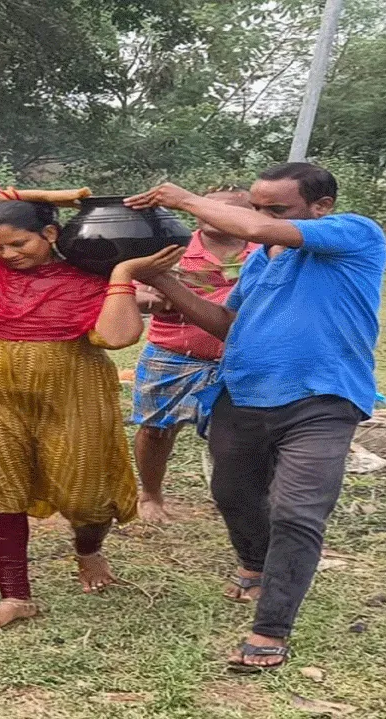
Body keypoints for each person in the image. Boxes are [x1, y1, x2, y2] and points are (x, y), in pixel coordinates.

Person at [125, 163, 386, 671]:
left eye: (276, 209)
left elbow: (252, 228)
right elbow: (229, 324)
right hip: (243, 393)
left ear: (321, 207)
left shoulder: (354, 234)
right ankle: (254, 564)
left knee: (297, 511)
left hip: (323, 398)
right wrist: (162, 281)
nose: (261, 217)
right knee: (233, 493)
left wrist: (181, 197)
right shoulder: (262, 262)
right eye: (257, 205)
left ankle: (270, 630)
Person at [0, 187, 183, 634]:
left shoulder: (89, 278)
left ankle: (87, 549)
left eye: (18, 243)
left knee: (87, 496)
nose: (6, 254)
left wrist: (122, 271)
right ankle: (14, 597)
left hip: (74, 399)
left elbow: (119, 338)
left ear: (49, 233)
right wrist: (47, 194)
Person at [131, 187, 257, 523]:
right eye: (208, 205)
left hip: (241, 358)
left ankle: (230, 496)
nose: (214, 212)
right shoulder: (172, 249)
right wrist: (150, 300)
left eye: (227, 208)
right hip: (172, 352)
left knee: (234, 436)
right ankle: (150, 493)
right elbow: (134, 291)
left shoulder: (266, 253)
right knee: (156, 429)